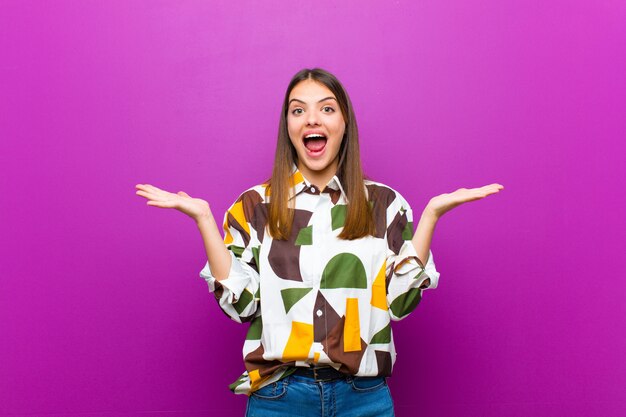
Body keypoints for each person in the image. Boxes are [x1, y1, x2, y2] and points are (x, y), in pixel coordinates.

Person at [135, 68, 503, 417]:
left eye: (327, 108)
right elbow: (242, 307)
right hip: (279, 398)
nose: (312, 119)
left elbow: (399, 303)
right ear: (289, 127)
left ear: (344, 125)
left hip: (364, 398)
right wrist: (203, 220)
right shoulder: (255, 206)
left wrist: (431, 216)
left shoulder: (385, 205)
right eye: (299, 110)